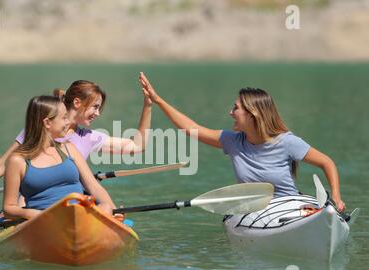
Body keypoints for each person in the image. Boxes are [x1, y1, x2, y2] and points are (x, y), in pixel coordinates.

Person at [139, 72, 346, 212]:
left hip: (289, 206)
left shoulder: (287, 142)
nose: (230, 112)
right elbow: (192, 129)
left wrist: (335, 196)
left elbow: (326, 162)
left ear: (253, 113)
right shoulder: (233, 141)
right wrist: (157, 101)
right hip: (254, 212)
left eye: (235, 108)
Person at [0, 79, 152, 201]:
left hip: (73, 202)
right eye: (95, 107)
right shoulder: (41, 129)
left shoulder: (89, 137)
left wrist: (148, 105)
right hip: (34, 203)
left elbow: (137, 145)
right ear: (77, 103)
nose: (98, 113)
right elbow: (1, 165)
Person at [3, 95, 115, 219]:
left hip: (80, 214)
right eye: (64, 118)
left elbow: (94, 186)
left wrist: (110, 207)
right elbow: (9, 208)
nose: (68, 122)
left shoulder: (68, 148)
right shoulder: (17, 161)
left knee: (106, 207)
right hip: (43, 221)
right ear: (47, 123)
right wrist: (30, 213)